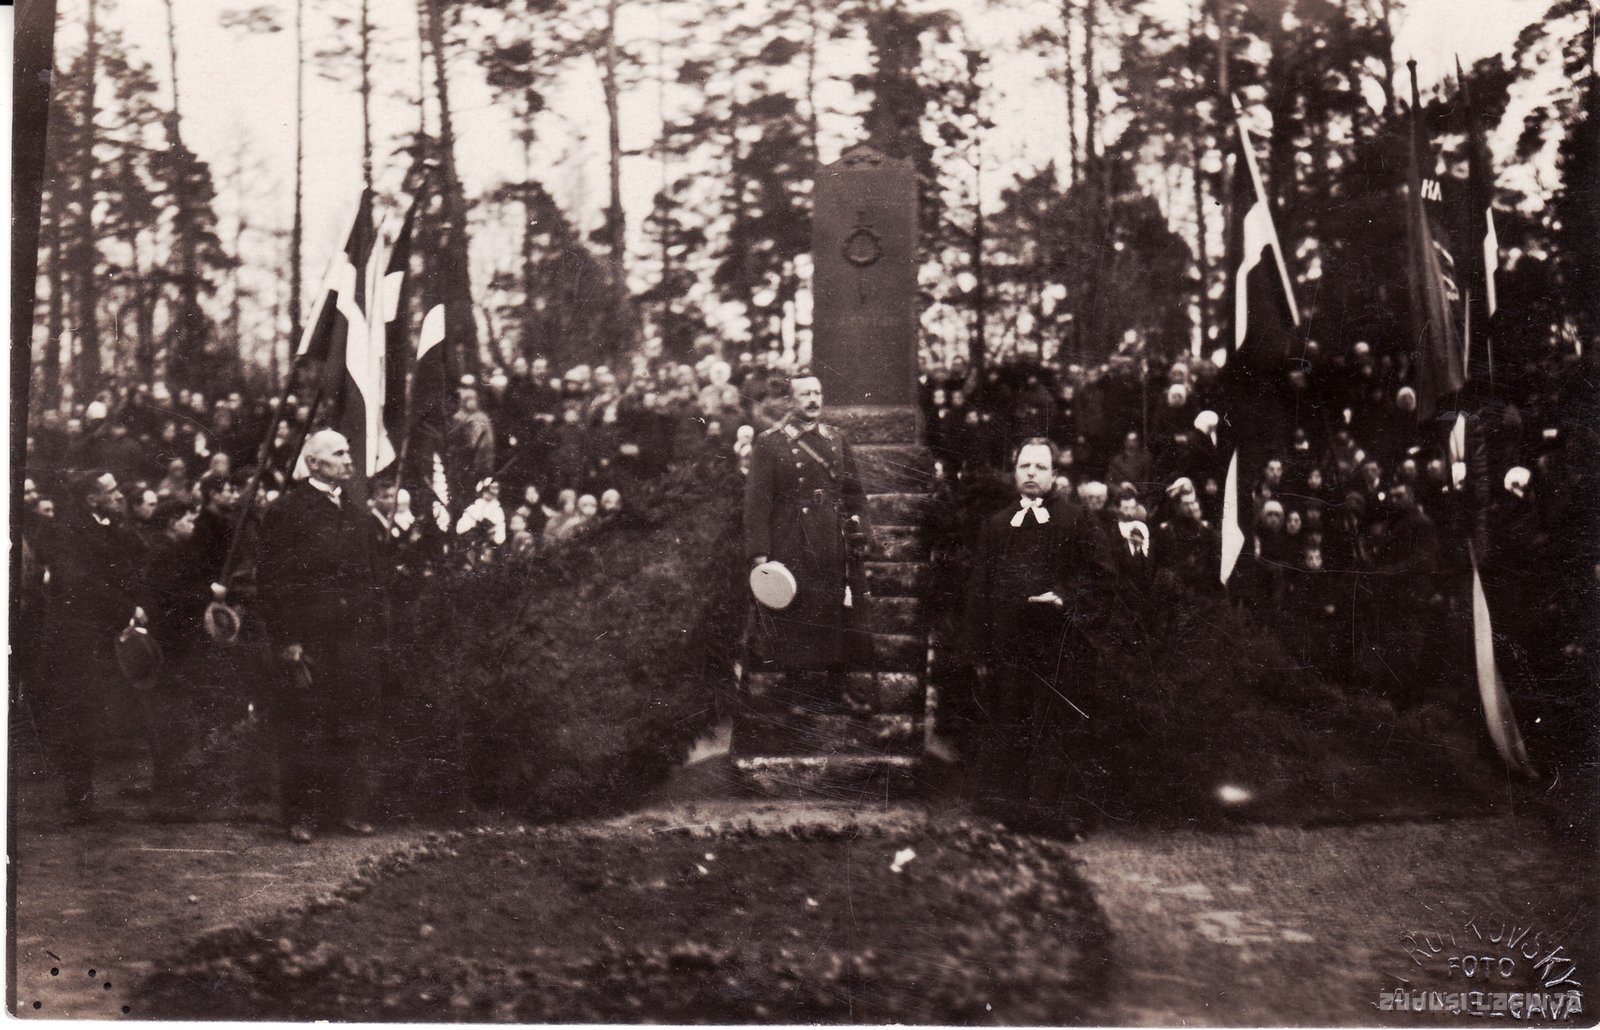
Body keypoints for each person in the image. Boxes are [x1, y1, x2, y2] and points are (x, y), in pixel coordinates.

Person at [963, 438, 1115, 830]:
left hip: (1059, 648)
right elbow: (979, 589)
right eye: (1024, 466)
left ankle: (1057, 819)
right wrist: (979, 650)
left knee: (1055, 727)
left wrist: (1064, 597)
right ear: (1014, 472)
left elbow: (1102, 578)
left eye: (1040, 467)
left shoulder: (1076, 520)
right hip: (1009, 647)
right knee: (1010, 723)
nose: (1031, 473)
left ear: (1054, 474)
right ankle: (1010, 815)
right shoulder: (996, 524)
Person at [256, 429, 382, 843]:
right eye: (339, 453)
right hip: (309, 638)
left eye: (348, 452)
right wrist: (288, 640)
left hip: (351, 638)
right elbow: (273, 581)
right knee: (304, 726)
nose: (348, 459)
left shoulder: (356, 512)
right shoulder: (287, 511)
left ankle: (346, 810)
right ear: (313, 463)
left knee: (348, 723)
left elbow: (370, 576)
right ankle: (301, 815)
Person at [744, 372, 873, 707]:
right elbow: (757, 502)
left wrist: (862, 529)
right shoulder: (770, 442)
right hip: (790, 538)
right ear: (790, 401)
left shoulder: (836, 439)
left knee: (837, 608)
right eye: (805, 394)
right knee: (795, 610)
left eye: (817, 393)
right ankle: (796, 691)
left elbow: (854, 493)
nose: (814, 400)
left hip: (832, 537)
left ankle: (839, 684)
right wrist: (759, 552)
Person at [40, 469, 147, 821]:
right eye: (111, 490)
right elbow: (81, 583)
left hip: (102, 631)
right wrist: (127, 608)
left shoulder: (110, 526)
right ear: (91, 498)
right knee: (78, 713)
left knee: (94, 711)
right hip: (76, 635)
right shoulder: (67, 530)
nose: (119, 495)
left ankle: (84, 795)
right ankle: (78, 799)